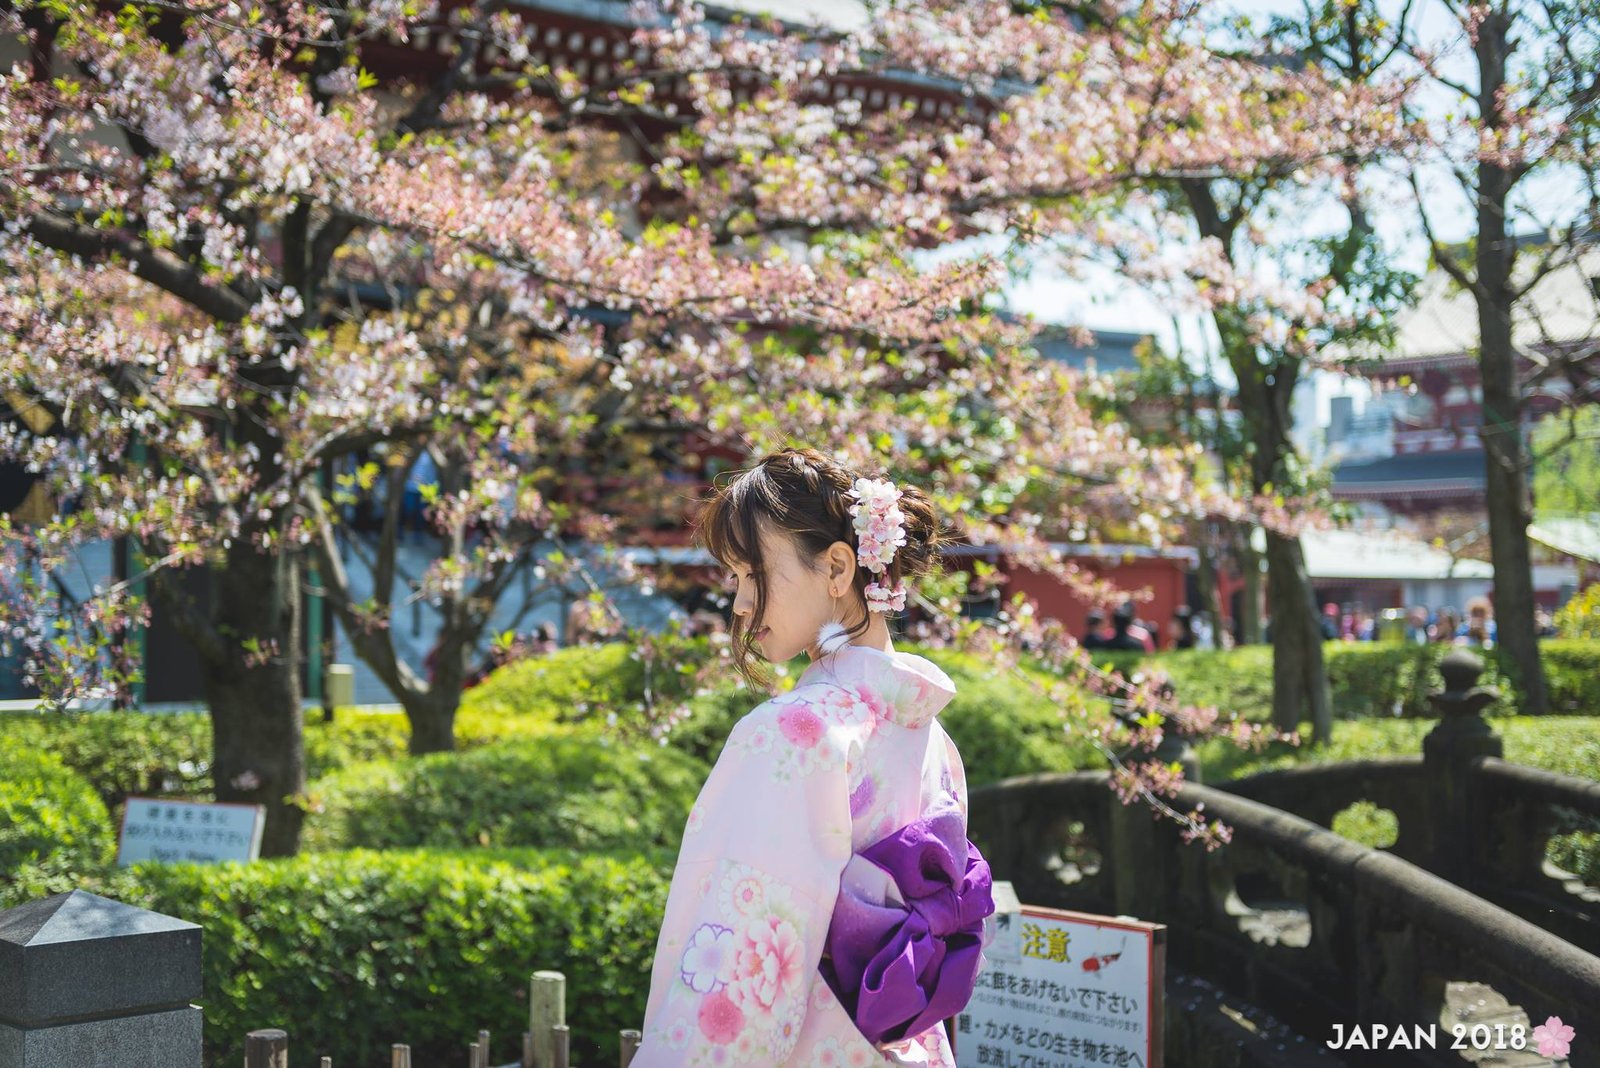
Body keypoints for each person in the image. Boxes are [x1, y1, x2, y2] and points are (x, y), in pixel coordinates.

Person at [633, 448, 994, 1068]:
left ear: (837, 566)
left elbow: (745, 978)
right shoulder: (931, 735)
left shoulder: (794, 732)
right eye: (735, 580)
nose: (740, 604)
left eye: (754, 574)